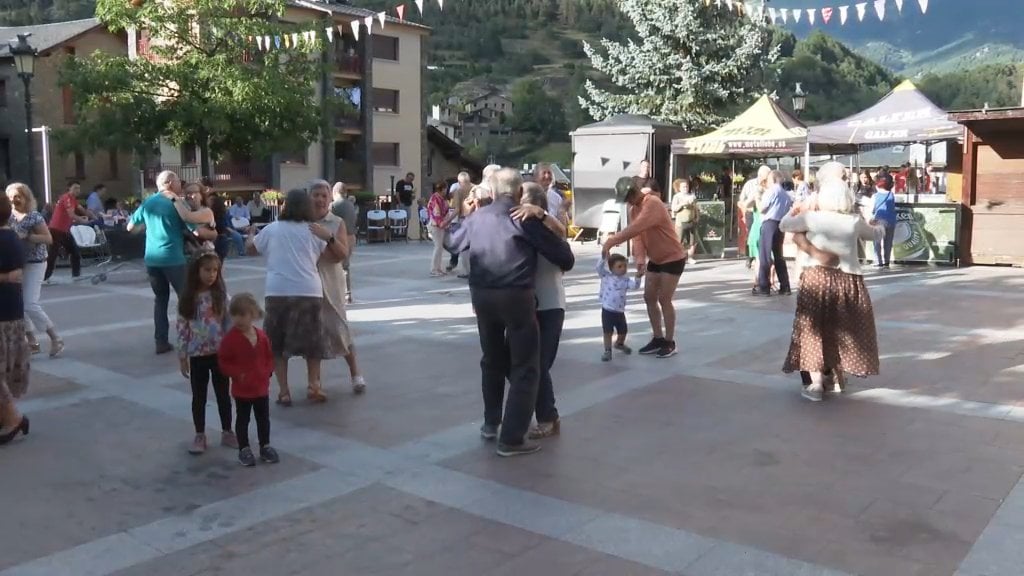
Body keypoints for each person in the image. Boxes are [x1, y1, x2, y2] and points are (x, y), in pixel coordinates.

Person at [445, 167, 575, 457]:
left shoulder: (477, 218)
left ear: (491, 192)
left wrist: (465, 214)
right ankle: (512, 438)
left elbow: (451, 242)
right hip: (517, 297)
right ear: (519, 193)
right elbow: (564, 258)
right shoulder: (522, 218)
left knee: (491, 359)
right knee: (526, 366)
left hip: (481, 297)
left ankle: (491, 422)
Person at [780, 181, 883, 401]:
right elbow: (875, 235)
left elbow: (784, 225)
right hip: (848, 279)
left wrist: (796, 209)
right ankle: (836, 377)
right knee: (841, 329)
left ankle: (816, 384)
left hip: (816, 277)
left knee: (812, 329)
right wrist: (879, 224)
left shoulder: (812, 218)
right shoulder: (853, 221)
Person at [247, 189, 330, 405]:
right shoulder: (314, 230)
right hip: (309, 291)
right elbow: (328, 254)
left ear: (285, 206)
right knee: (313, 343)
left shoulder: (272, 229)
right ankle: (313, 385)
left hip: (278, 291)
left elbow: (252, 249)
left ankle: (284, 391)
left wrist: (250, 235)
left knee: (276, 344)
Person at [603, 176, 687, 359]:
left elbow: (635, 228)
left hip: (673, 257)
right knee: (649, 297)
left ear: (634, 192)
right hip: (656, 259)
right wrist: (640, 259)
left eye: (627, 198)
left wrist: (611, 241)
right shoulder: (634, 209)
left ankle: (669, 341)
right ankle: (657, 338)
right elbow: (638, 236)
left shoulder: (653, 203)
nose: (627, 202)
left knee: (664, 299)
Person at [129, 171, 210, 354]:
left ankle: (161, 341)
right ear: (170, 183)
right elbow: (193, 229)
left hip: (152, 259)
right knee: (186, 299)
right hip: (173, 258)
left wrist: (150, 228)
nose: (181, 186)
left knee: (161, 300)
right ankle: (192, 338)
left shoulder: (148, 202)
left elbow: (131, 228)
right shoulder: (176, 203)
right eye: (178, 182)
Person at [513, 182, 569, 440]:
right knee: (533, 363)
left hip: (551, 304)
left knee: (540, 363)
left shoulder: (548, 229)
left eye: (522, 202)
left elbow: (564, 246)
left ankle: (549, 416)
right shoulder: (522, 227)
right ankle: (544, 415)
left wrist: (543, 215)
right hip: (528, 303)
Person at [310, 180, 366, 395]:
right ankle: (314, 382)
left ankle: (356, 374)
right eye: (316, 195)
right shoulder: (302, 222)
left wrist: (328, 237)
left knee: (340, 328)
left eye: (324, 195)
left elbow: (341, 255)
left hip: (331, 281)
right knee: (313, 333)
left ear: (330, 198)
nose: (320, 199)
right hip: (309, 283)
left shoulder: (336, 221)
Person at [176, 252, 235, 454]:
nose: (211, 275)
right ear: (196, 271)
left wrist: (233, 348)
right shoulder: (188, 298)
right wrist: (182, 355)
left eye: (215, 271)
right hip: (197, 355)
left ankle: (227, 431)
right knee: (198, 396)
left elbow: (229, 323)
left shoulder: (221, 296)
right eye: (207, 270)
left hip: (219, 353)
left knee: (223, 395)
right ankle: (199, 433)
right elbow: (182, 327)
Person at [218, 293, 279, 467]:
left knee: (263, 418)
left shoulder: (261, 336)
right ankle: (244, 448)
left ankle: (265, 445)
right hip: (242, 389)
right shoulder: (230, 339)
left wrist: (267, 371)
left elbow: (268, 357)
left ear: (252, 314)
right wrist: (237, 373)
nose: (238, 319)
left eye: (242, 315)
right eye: (235, 315)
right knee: (243, 419)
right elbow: (223, 361)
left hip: (260, 388)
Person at [7, 183, 63, 358]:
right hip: (18, 264)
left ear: (26, 197)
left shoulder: (34, 217)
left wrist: (29, 237)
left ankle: (56, 338)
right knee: (20, 304)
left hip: (36, 263)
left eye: (18, 196)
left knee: (30, 303)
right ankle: (32, 342)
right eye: (11, 197)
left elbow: (49, 239)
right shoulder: (8, 217)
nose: (14, 200)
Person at [0, 193, 30, 445]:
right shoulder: (10, 235)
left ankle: (13, 418)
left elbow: (15, 274)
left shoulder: (5, 238)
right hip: (10, 312)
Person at [753, 170, 793, 297]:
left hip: (769, 223)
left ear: (773, 179)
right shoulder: (786, 195)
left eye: (769, 179)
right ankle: (785, 286)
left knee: (764, 255)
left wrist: (756, 198)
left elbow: (761, 208)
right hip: (780, 224)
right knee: (779, 256)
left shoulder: (771, 191)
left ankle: (764, 287)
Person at [597, 253, 642, 362]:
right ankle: (607, 350)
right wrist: (603, 258)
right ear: (611, 268)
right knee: (608, 331)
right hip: (607, 310)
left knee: (623, 331)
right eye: (619, 266)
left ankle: (619, 343)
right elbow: (599, 268)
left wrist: (637, 278)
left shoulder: (626, 280)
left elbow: (635, 287)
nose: (623, 269)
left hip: (620, 311)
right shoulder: (606, 276)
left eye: (625, 266)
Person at [45, 181, 90, 281]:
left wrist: (93, 216)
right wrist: (82, 220)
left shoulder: (73, 200)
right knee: (53, 254)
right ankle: (44, 277)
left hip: (64, 231)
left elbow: (81, 208)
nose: (77, 190)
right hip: (56, 230)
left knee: (74, 251)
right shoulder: (66, 198)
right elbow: (71, 214)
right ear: (69, 188)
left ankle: (76, 275)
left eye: (78, 188)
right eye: (75, 188)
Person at [330, 182, 359, 303]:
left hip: (339, 237)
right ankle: (348, 293)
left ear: (335, 192)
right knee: (345, 266)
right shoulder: (351, 205)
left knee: (333, 266)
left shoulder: (334, 206)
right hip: (351, 237)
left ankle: (336, 293)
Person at [871, 172, 897, 269]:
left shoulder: (875, 196)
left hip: (879, 220)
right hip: (891, 220)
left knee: (877, 241)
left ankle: (878, 261)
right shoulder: (891, 195)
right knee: (888, 242)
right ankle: (887, 261)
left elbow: (872, 209)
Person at [670, 179, 699, 260]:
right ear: (679, 188)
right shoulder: (677, 197)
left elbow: (696, 208)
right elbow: (674, 208)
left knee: (692, 241)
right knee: (679, 241)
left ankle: (690, 258)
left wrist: (697, 217)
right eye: (683, 187)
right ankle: (677, 258)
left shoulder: (692, 196)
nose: (685, 188)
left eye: (686, 186)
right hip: (680, 222)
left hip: (691, 221)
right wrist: (682, 204)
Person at [426, 182, 450, 277]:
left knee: (439, 247)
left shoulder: (440, 198)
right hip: (436, 225)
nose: (446, 191)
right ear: (442, 189)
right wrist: (442, 223)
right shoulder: (436, 198)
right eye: (445, 189)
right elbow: (436, 213)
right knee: (438, 247)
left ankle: (438, 268)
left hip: (439, 224)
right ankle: (434, 269)